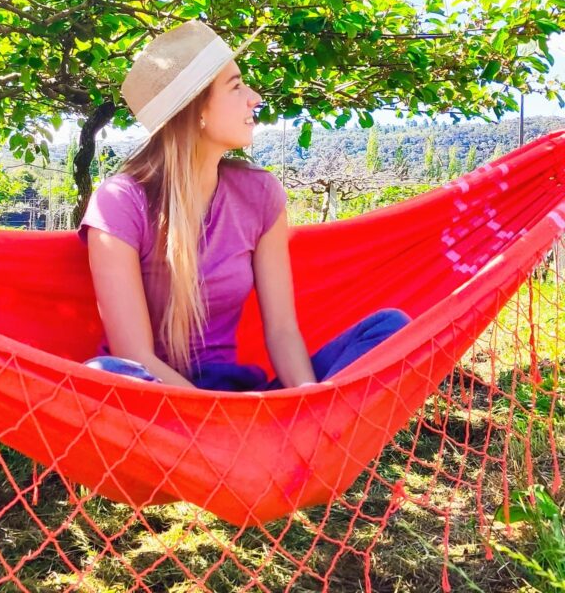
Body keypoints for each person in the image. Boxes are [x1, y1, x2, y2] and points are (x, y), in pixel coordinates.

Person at [77, 20, 410, 390]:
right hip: (153, 400)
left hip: (231, 394)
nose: (254, 97)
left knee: (390, 330)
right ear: (196, 110)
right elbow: (134, 354)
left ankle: (291, 436)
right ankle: (258, 443)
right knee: (104, 373)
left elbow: (283, 331)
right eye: (236, 87)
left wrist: (306, 401)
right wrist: (214, 423)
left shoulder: (259, 194)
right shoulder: (120, 201)